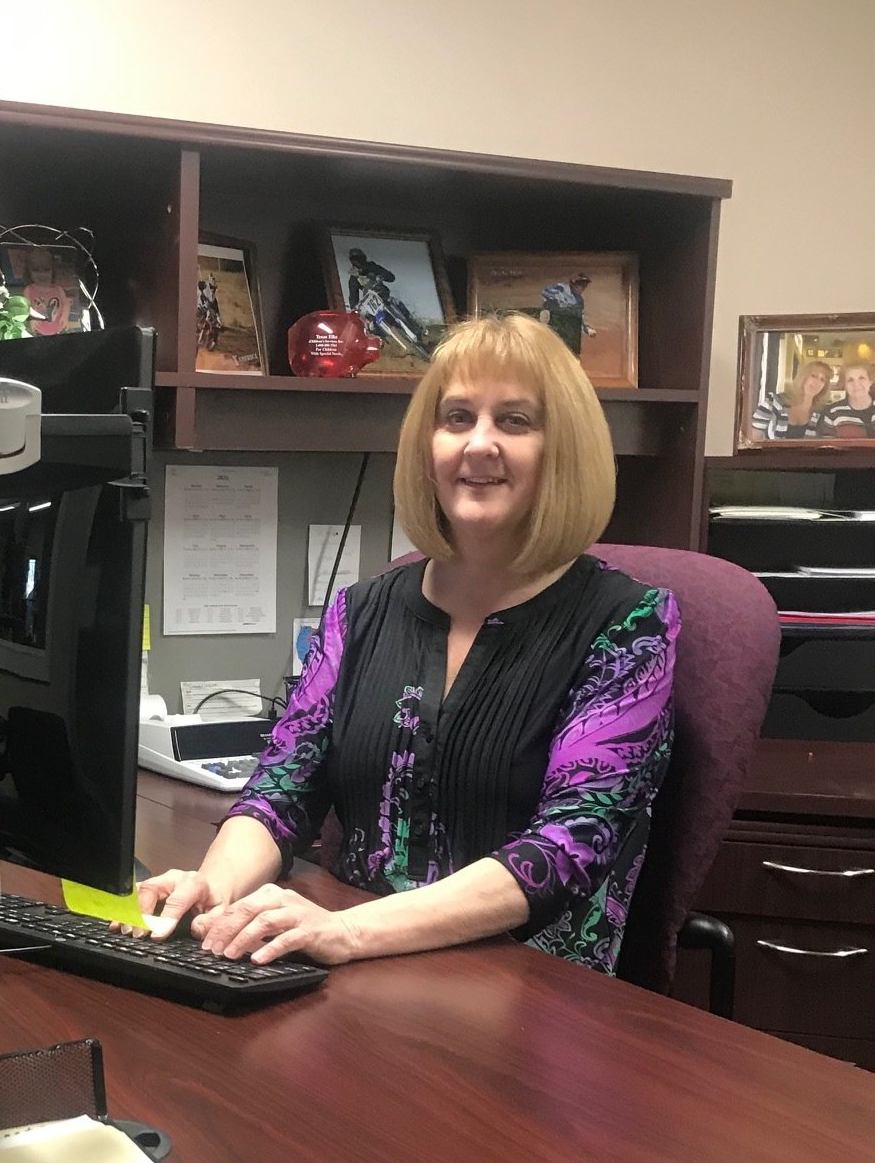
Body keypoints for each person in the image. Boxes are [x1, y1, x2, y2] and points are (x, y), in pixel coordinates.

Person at [131, 312, 678, 975]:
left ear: (564, 451)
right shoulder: (360, 614)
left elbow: (570, 843)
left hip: (528, 996)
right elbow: (282, 788)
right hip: (351, 971)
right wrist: (212, 889)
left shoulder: (628, 625)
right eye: (456, 418)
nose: (479, 444)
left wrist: (348, 931)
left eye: (513, 420)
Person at [750, 360, 833, 439]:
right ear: (803, 377)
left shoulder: (823, 412)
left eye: (822, 380)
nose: (817, 382)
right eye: (814, 376)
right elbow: (753, 438)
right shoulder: (773, 402)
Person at [537, 272, 596, 356]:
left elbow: (579, 318)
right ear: (574, 284)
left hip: (566, 326)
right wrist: (558, 298)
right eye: (580, 286)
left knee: (568, 348)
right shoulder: (561, 288)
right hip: (553, 319)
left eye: (584, 286)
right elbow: (545, 292)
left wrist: (587, 330)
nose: (582, 289)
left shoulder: (579, 300)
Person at [21, 247, 71, 337]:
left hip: (59, 329)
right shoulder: (29, 290)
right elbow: (26, 307)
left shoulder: (58, 289)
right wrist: (32, 319)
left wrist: (65, 316)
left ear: (53, 270)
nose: (42, 274)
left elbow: (66, 303)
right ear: (28, 272)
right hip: (38, 331)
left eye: (46, 270)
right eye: (36, 270)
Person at [821, 361, 875, 437]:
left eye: (861, 378)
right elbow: (828, 445)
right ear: (844, 385)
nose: (856, 384)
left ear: (870, 382)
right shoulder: (833, 412)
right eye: (850, 380)